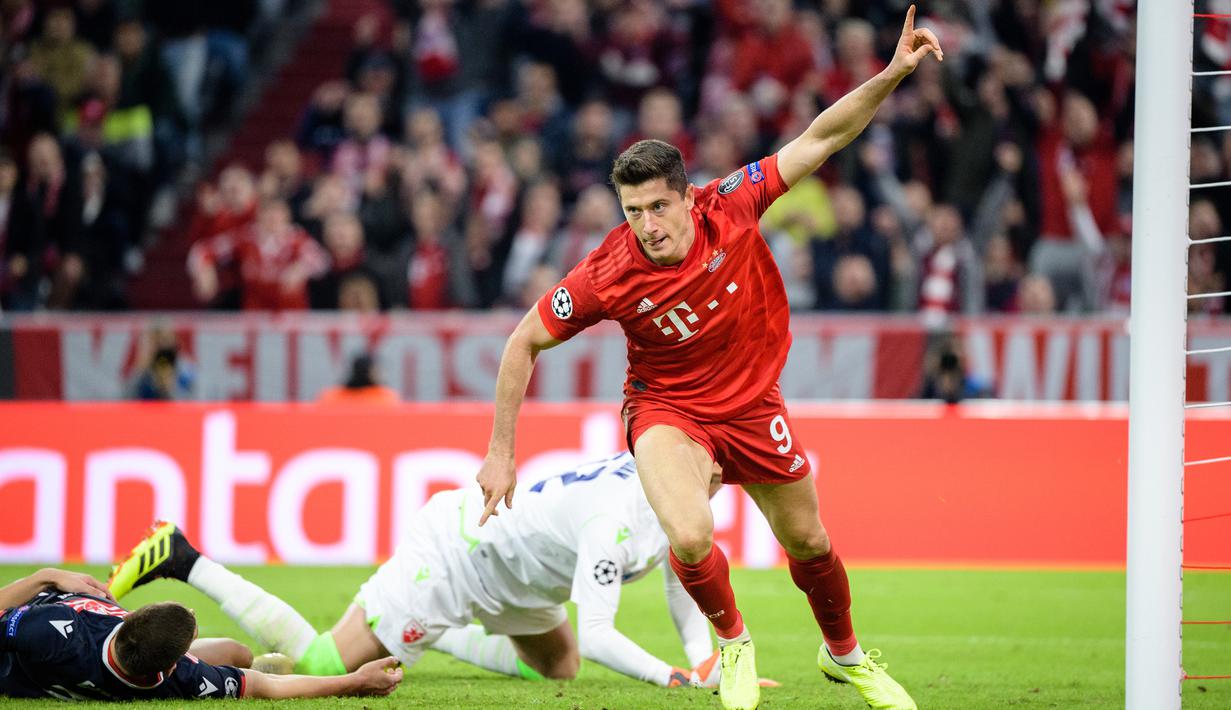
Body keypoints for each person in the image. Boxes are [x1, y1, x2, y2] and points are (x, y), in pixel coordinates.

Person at [473, 7, 942, 710]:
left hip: (753, 402)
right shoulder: (608, 271)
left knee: (808, 541)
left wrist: (891, 74)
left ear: (688, 198)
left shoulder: (734, 202)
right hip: (667, 409)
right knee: (689, 535)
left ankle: (842, 654)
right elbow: (524, 340)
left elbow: (824, 135)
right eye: (632, 211)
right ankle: (732, 643)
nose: (647, 226)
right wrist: (500, 452)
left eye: (658, 207)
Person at [107, 453, 728, 690]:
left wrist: (705, 658)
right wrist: (674, 679)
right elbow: (599, 634)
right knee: (323, 665)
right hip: (456, 557)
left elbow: (683, 572)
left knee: (558, 668)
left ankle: (435, 634)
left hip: (519, 576)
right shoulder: (613, 518)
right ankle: (181, 556)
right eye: (718, 470)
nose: (722, 481)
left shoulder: (671, 488)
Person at [0, 568, 402, 699]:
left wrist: (46, 576)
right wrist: (354, 680)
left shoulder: (48, 631)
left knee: (237, 654)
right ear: (176, 663)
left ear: (129, 618)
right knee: (241, 657)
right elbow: (267, 686)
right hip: (83, 665)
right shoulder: (183, 680)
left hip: (35, 653)